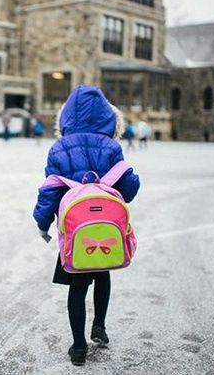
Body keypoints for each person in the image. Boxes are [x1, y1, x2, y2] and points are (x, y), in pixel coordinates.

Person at [33, 85, 140, 366]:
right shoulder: (111, 147)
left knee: (77, 285)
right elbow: (129, 187)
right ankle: (100, 327)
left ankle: (78, 346)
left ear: (65, 118)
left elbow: (50, 190)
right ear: (108, 117)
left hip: (75, 230)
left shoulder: (59, 148)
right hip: (103, 226)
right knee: (103, 275)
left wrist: (42, 223)